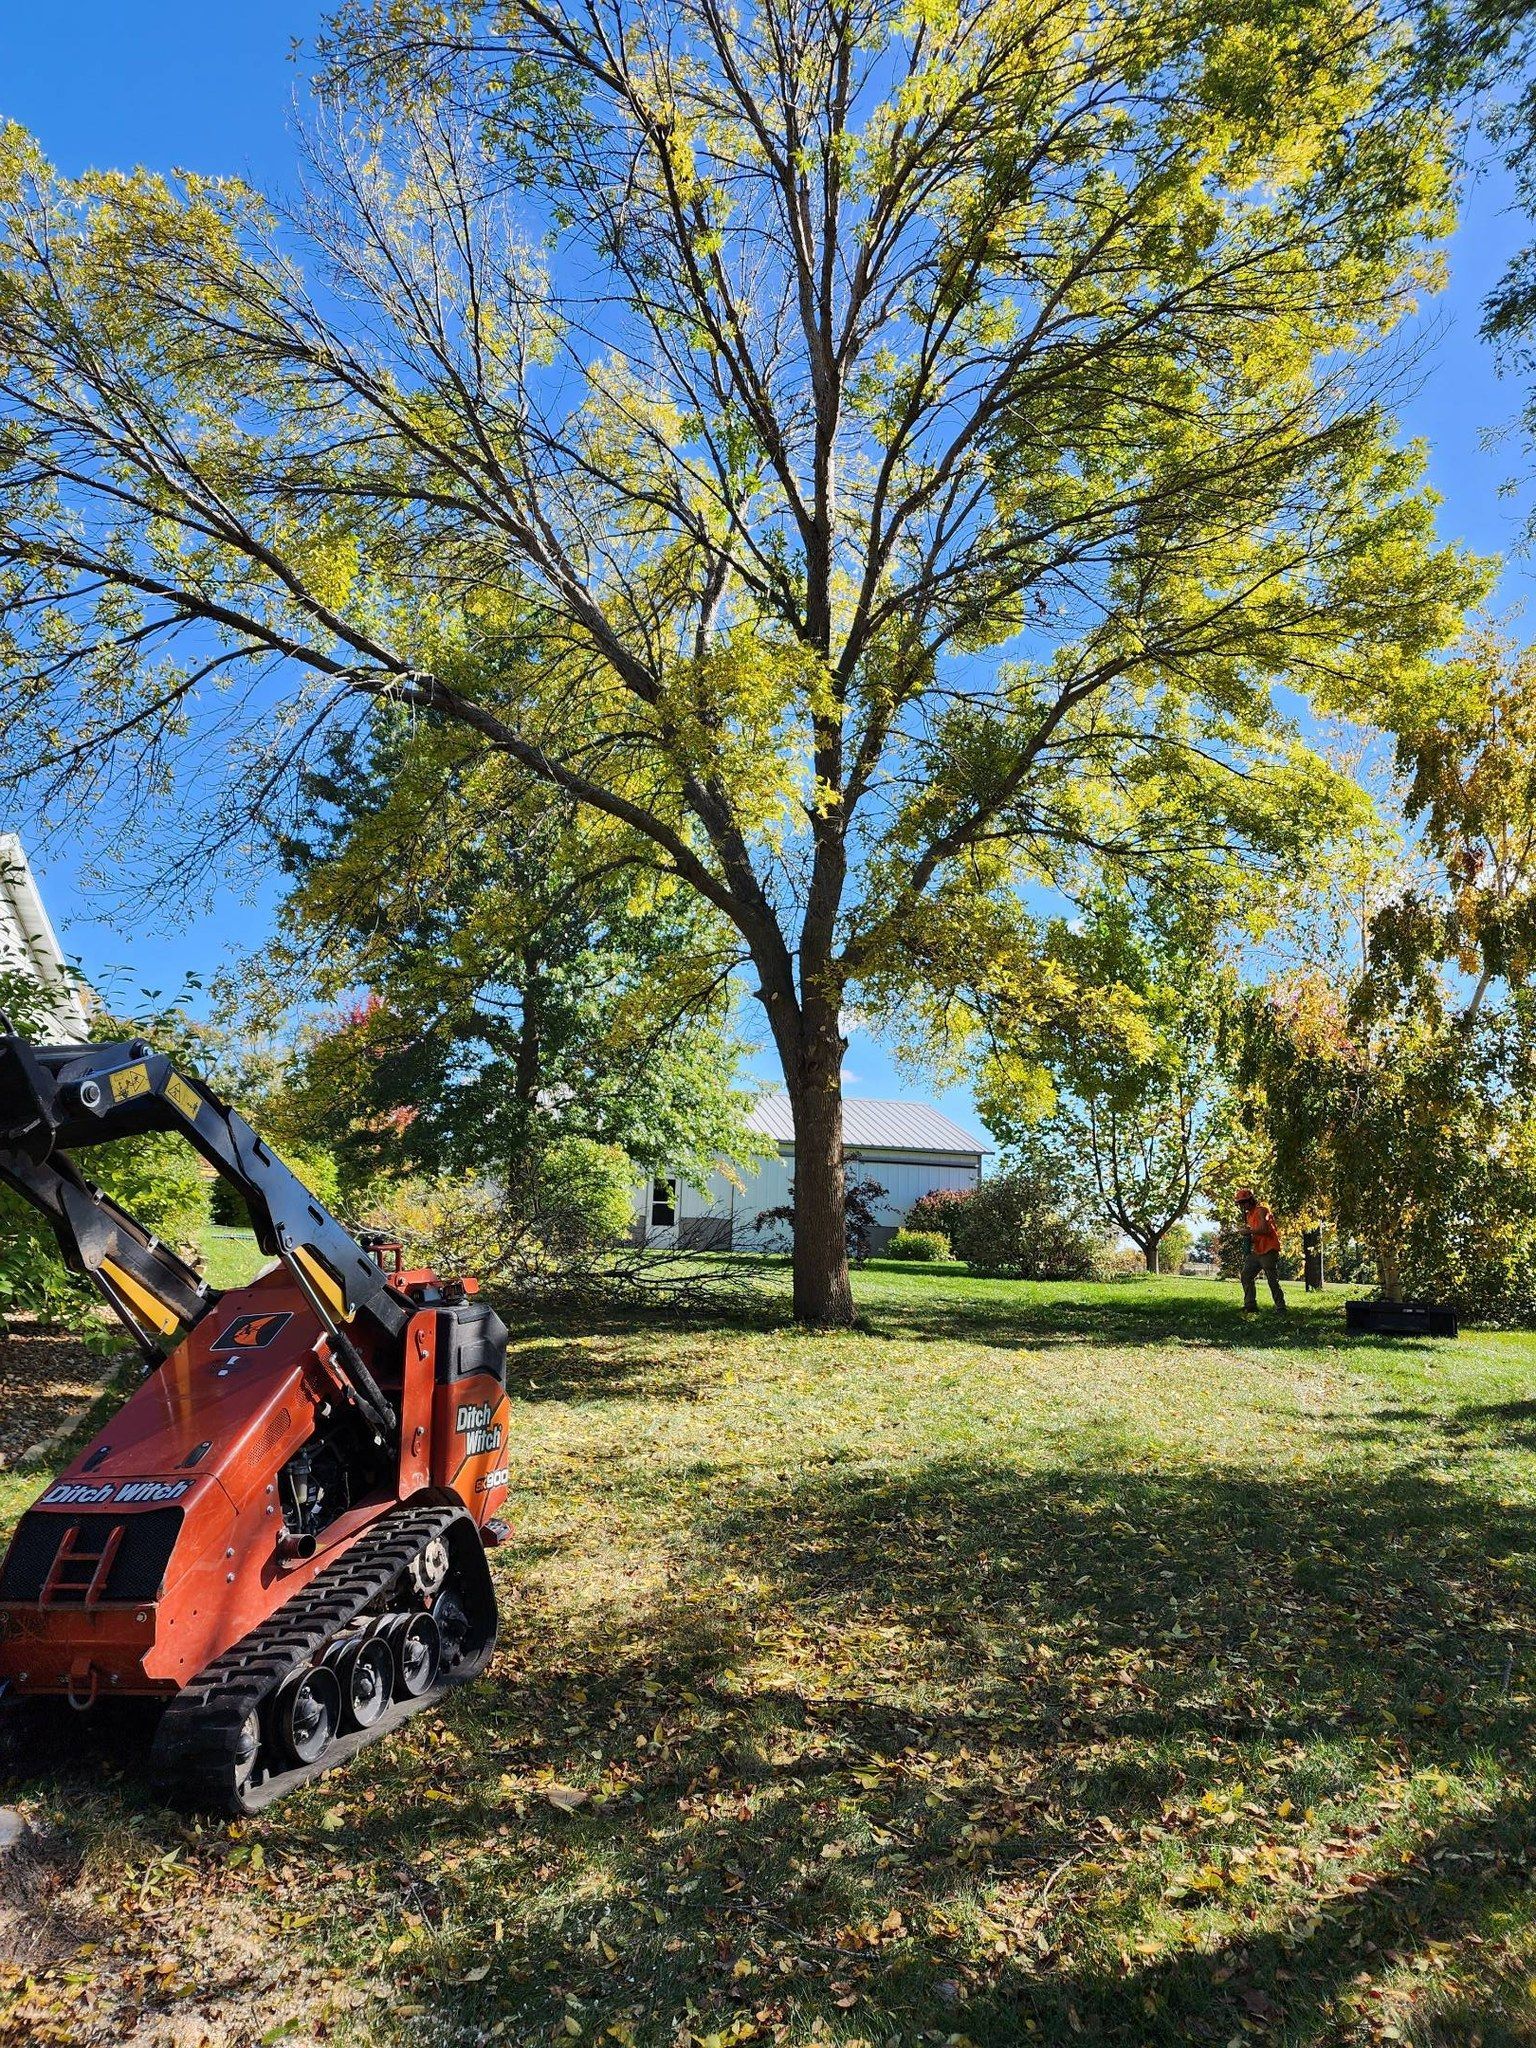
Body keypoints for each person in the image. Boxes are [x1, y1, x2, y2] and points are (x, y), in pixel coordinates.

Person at [1235, 1188, 1287, 1313]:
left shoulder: (1262, 1210)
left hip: (1269, 1250)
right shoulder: (1249, 1215)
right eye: (1240, 1203)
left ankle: (1281, 1308)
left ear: (1251, 1200)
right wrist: (1249, 1239)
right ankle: (1250, 1305)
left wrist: (1248, 1231)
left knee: (1272, 1280)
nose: (1242, 1205)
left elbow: (1264, 1229)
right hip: (1257, 1250)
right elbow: (1258, 1233)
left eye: (1244, 1202)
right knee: (1246, 1276)